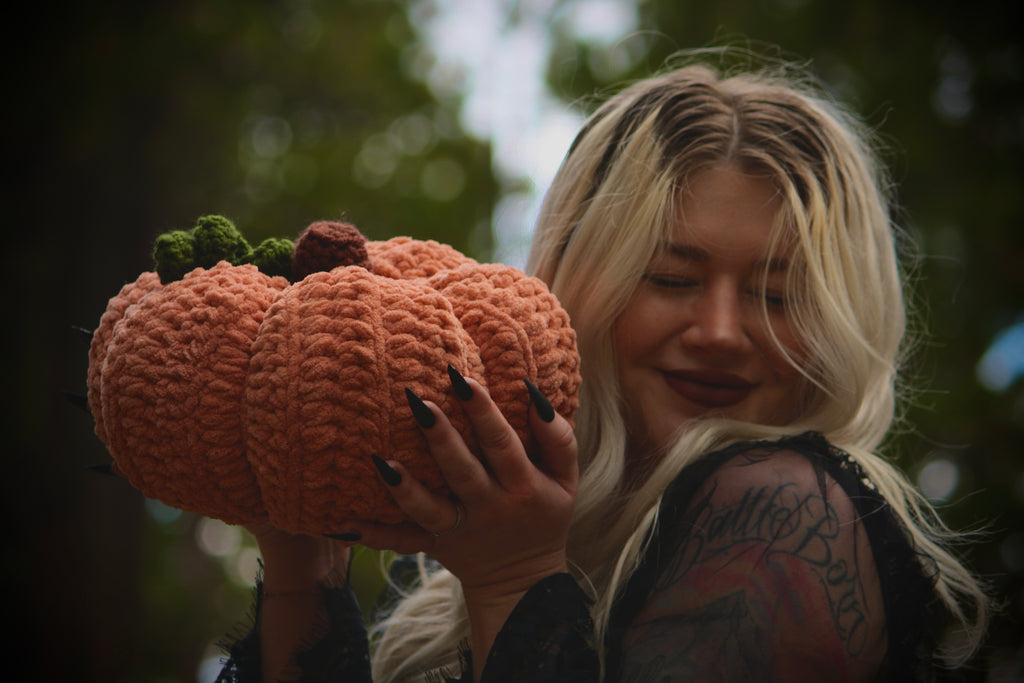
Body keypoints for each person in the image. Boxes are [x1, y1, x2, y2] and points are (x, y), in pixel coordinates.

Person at [217, 52, 990, 682]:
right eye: (672, 279)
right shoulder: (471, 555)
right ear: (577, 284)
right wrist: (303, 566)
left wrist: (515, 585)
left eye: (776, 294)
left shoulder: (786, 512)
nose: (721, 332)